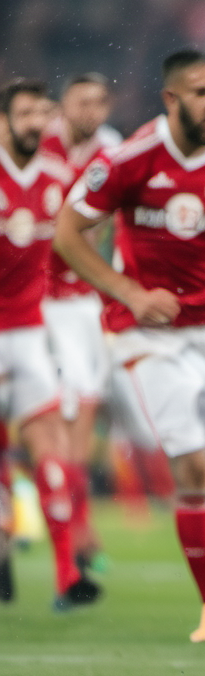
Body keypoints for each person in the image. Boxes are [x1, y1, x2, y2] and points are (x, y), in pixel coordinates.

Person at [53, 50, 205, 642]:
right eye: (202, 93)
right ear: (172, 99)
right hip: (147, 338)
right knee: (193, 467)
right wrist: (129, 292)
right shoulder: (126, 160)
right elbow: (68, 233)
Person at [0, 78, 100, 610]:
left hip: (30, 334)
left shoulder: (58, 179)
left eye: (42, 113)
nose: (36, 123)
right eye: (24, 114)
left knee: (50, 451)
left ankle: (67, 576)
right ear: (3, 121)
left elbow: (80, 240)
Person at [39, 73, 122, 575]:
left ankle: (79, 528)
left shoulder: (110, 151)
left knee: (82, 418)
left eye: (99, 102)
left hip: (82, 303)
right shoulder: (38, 141)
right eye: (81, 101)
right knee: (52, 422)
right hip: (35, 304)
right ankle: (73, 534)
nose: (90, 110)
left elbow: (105, 225)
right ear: (63, 105)